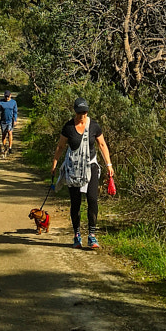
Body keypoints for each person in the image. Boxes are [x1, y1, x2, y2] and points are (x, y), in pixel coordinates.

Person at [51, 97, 114, 250]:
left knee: (92, 199)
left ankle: (92, 235)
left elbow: (102, 144)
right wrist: (54, 164)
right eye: (80, 113)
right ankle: (76, 234)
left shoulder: (94, 126)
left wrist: (109, 165)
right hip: (73, 168)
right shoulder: (68, 127)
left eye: (85, 112)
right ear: (75, 112)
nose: (82, 116)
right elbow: (60, 147)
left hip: (90, 166)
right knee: (76, 202)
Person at [0, 90, 18, 157]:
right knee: (4, 134)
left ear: (10, 95)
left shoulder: (13, 102)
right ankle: (4, 147)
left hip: (10, 120)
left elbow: (15, 112)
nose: (7, 98)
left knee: (10, 132)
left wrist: (15, 119)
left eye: (8, 96)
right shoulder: (1, 102)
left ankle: (10, 148)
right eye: (5, 96)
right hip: (3, 121)